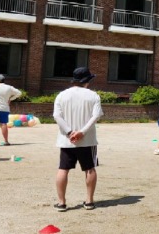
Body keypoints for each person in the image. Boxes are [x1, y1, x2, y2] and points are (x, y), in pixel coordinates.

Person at [52, 67, 103, 212]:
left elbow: (57, 116)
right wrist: (81, 132)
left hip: (66, 139)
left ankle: (61, 203)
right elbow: (96, 116)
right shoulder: (93, 96)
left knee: (63, 169)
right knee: (90, 168)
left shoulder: (62, 95)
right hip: (87, 140)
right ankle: (89, 201)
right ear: (87, 80)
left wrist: (69, 132)